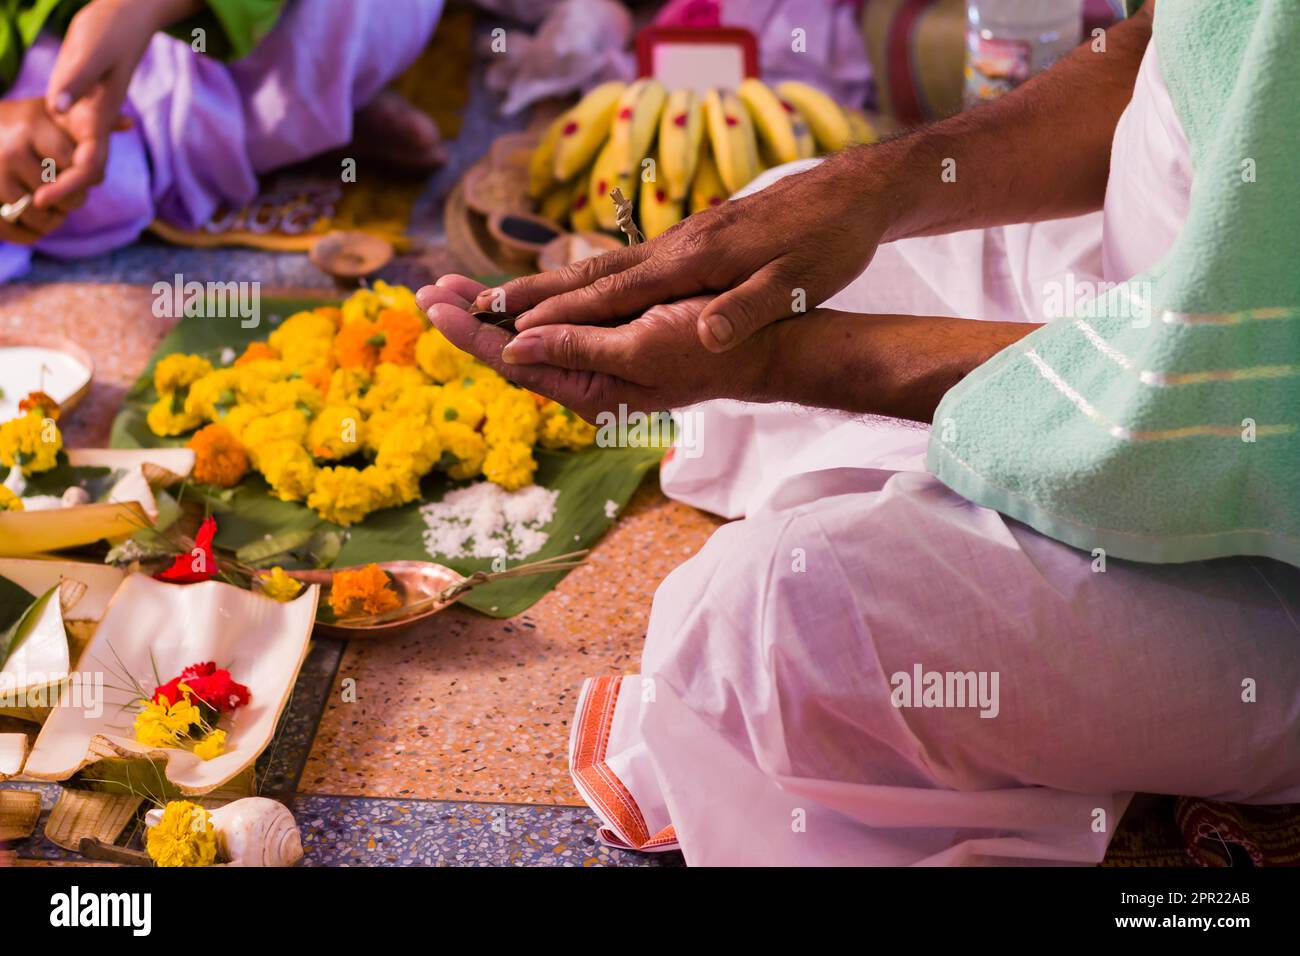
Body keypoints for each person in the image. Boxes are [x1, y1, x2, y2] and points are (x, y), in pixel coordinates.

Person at [418, 0, 1300, 865]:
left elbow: (1200, 393)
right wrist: (868, 192)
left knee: (776, 622)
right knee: (751, 244)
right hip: (1147, 297)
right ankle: (979, 513)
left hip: (1251, 496)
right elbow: (1162, 41)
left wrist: (776, 362)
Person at [0, 0, 446, 281]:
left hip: (218, 25)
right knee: (68, 172)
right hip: (32, 72)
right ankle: (302, 132)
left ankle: (302, 123)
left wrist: (139, 9)